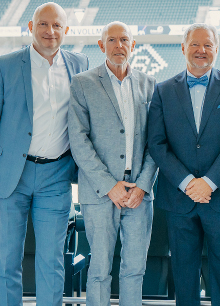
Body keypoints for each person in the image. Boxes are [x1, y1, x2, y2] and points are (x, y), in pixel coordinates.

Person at [0, 2, 88, 306]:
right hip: (12, 175)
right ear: (30, 26)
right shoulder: (5, 65)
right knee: (8, 261)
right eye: (43, 24)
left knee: (52, 262)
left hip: (57, 176)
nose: (50, 32)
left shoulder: (80, 64)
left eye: (57, 26)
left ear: (66, 30)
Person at [147, 23, 220, 306]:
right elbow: (157, 143)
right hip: (179, 199)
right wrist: (188, 183)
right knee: (183, 276)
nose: (201, 50)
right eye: (194, 44)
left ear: (217, 49)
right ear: (183, 48)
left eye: (208, 45)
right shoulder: (163, 91)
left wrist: (209, 182)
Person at [68, 21, 157, 305]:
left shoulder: (148, 83)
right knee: (99, 270)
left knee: (134, 269)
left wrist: (143, 185)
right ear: (101, 45)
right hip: (100, 192)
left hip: (139, 193)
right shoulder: (83, 83)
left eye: (125, 40)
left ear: (133, 45)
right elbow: (78, 141)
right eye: (112, 40)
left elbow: (157, 141)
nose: (119, 46)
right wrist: (110, 186)